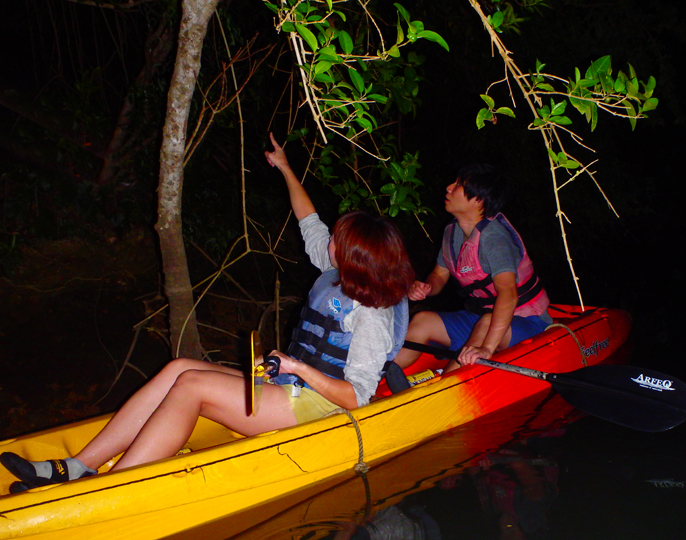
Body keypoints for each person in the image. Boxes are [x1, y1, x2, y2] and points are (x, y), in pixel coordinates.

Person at [1, 133, 414, 492]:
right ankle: (78, 465)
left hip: (317, 408)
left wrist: (298, 368)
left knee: (193, 387)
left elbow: (358, 397)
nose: (330, 243)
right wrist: (286, 169)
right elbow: (310, 222)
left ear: (357, 260)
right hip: (291, 385)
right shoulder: (334, 272)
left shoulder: (373, 314)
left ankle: (112, 483)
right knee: (179, 367)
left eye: (339, 242)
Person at [394, 164, 551, 372]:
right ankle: (369, 385)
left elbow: (509, 294)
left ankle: (448, 389)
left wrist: (486, 348)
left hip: (527, 322)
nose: (449, 187)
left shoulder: (495, 238)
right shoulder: (452, 232)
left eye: (458, 185)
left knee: (486, 322)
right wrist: (426, 287)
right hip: (482, 319)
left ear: (478, 200)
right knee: (423, 320)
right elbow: (439, 275)